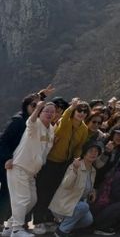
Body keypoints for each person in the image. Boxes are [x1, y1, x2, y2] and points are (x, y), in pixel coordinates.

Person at [33, 99, 90, 235]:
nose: (81, 113)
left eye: (84, 111)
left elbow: (79, 147)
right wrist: (71, 107)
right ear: (74, 111)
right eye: (79, 110)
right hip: (50, 161)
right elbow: (65, 117)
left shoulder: (84, 129)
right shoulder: (65, 122)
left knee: (54, 192)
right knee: (43, 191)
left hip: (64, 164)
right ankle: (38, 221)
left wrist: (76, 159)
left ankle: (48, 219)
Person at [5, 101, 55, 237]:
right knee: (22, 199)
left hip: (32, 172)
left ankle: (9, 226)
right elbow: (30, 122)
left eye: (52, 112)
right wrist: (38, 108)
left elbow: (44, 151)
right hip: (19, 166)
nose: (49, 114)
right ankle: (17, 230)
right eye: (46, 111)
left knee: (32, 200)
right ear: (40, 113)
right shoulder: (35, 124)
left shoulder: (51, 129)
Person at [0, 95, 38, 234]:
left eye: (39, 107)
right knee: (7, 194)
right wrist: (7, 158)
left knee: (24, 197)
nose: (37, 108)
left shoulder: (35, 122)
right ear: (26, 106)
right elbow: (3, 141)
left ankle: (14, 225)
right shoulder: (18, 121)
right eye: (33, 106)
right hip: (9, 163)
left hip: (23, 164)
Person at [49, 141, 101, 237]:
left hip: (76, 207)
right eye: (91, 151)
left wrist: (93, 191)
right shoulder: (75, 165)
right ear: (84, 153)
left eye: (96, 151)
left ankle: (63, 226)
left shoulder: (93, 170)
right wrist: (75, 170)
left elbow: (86, 187)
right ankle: (61, 232)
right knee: (84, 206)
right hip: (65, 205)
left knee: (88, 220)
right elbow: (66, 184)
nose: (93, 153)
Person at [91, 157, 120, 235]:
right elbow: (117, 197)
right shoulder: (118, 177)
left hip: (102, 211)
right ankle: (101, 227)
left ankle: (105, 225)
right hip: (99, 212)